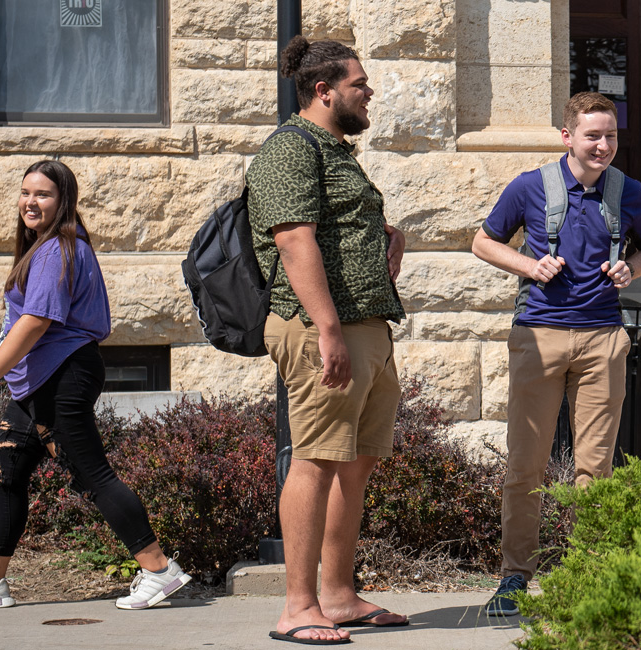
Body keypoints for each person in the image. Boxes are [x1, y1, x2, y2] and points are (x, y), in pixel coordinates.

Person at [0, 160, 192, 611]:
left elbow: (35, 322)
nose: (31, 202)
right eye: (25, 192)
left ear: (63, 201)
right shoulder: (42, 247)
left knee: (91, 473)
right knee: (7, 472)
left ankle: (159, 570)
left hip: (62, 375)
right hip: (35, 381)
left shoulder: (60, 248)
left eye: (43, 194)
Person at [471, 92, 641, 616]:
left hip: (604, 336)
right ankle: (515, 578)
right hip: (539, 335)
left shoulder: (630, 192)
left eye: (612, 136)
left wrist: (633, 269)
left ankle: (589, 573)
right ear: (567, 137)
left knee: (595, 466)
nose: (604, 146)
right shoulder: (530, 186)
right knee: (526, 465)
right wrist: (529, 267)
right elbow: (483, 242)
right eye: (593, 136)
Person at [248, 36, 409, 645]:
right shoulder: (290, 149)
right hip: (322, 329)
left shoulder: (334, 150)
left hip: (365, 327)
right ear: (325, 91)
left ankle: (339, 596)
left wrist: (385, 237)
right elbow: (294, 241)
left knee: (356, 462)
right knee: (315, 460)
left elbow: (336, 227)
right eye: (360, 84)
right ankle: (297, 606)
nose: (369, 93)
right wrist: (328, 331)